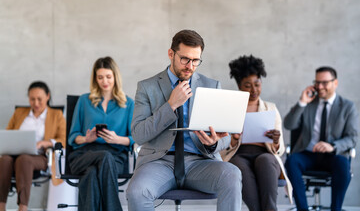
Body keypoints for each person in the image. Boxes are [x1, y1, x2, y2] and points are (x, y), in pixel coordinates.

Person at [126, 29, 242, 211]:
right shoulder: (147, 87)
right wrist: (170, 105)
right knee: (136, 191)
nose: (190, 66)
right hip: (159, 162)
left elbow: (225, 137)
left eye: (196, 60)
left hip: (201, 162)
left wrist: (213, 143)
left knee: (232, 174)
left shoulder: (212, 86)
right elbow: (139, 134)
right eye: (185, 59)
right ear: (171, 54)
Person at [220, 55, 293, 211]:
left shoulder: (270, 108)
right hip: (238, 154)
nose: (254, 90)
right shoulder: (230, 109)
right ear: (239, 86)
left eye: (257, 84)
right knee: (238, 166)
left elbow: (278, 151)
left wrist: (276, 140)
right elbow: (220, 147)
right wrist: (233, 139)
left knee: (266, 160)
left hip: (264, 153)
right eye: (247, 85)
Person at [284, 66, 359, 211]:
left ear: (335, 83)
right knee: (292, 161)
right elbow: (288, 124)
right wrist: (302, 102)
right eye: (317, 82)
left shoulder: (347, 107)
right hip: (308, 154)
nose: (319, 87)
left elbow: (352, 137)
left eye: (324, 83)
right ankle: (302, 209)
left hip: (332, 155)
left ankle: (335, 209)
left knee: (343, 165)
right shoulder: (308, 103)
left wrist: (333, 146)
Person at [68, 56, 134, 211]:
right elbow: (73, 136)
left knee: (91, 174)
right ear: (95, 79)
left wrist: (117, 139)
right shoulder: (84, 101)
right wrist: (86, 138)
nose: (105, 81)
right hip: (84, 155)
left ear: (115, 77)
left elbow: (133, 138)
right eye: (100, 77)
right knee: (102, 158)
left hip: (115, 158)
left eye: (109, 77)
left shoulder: (128, 104)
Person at [0, 81, 66, 211]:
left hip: (39, 157)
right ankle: (1, 206)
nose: (36, 103)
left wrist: (45, 143)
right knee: (5, 160)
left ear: (48, 96)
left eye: (39, 99)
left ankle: (22, 207)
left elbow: (63, 139)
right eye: (32, 99)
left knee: (24, 159)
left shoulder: (56, 115)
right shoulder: (19, 113)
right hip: (14, 155)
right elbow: (7, 134)